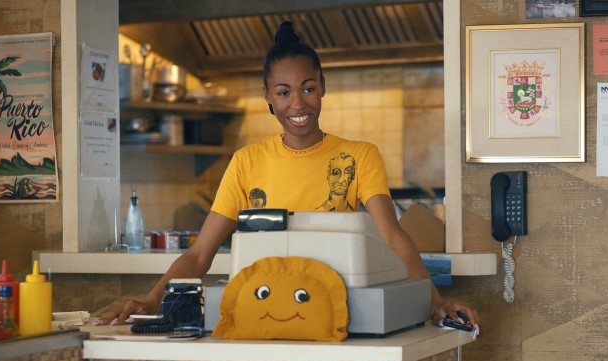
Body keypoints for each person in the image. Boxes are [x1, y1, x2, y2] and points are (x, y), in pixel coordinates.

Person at [97, 21, 480, 333]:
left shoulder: (360, 156)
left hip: (338, 318)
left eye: (308, 88)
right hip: (259, 316)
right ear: (267, 96)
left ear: (322, 88)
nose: (298, 104)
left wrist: (435, 303)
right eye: (284, 92)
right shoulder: (245, 162)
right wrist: (151, 300)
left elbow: (393, 237)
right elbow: (200, 254)